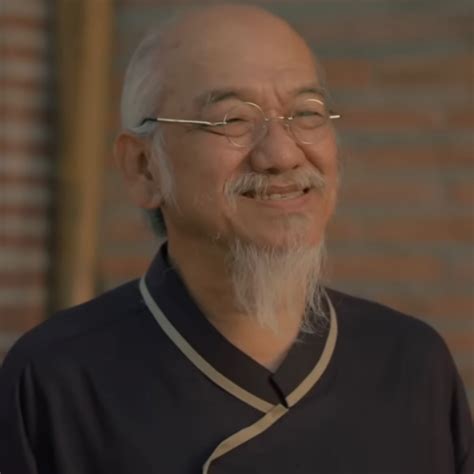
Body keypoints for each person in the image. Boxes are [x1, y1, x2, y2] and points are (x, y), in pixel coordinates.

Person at [0, 4, 472, 474]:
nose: (281, 154)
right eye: (232, 120)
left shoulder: (412, 364)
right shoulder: (55, 381)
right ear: (144, 168)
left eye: (306, 113)